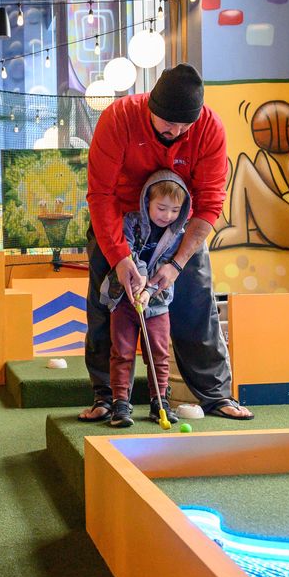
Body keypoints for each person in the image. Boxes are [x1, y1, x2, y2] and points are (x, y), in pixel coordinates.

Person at [78, 63, 254, 422]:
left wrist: (175, 264)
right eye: (167, 125)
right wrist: (120, 259)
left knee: (197, 302)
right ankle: (107, 398)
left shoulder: (210, 129)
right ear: (150, 108)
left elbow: (209, 204)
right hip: (121, 222)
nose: (175, 132)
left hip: (178, 227)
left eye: (182, 127)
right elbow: (101, 194)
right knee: (106, 303)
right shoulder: (118, 119)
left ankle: (216, 395)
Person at [98, 172, 190, 427]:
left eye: (174, 210)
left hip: (157, 302)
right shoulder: (130, 222)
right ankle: (120, 404)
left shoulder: (177, 233)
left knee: (159, 354)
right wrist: (138, 283)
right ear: (147, 201)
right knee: (122, 352)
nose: (167, 215)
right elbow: (127, 252)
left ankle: (159, 402)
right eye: (161, 208)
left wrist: (149, 291)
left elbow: (167, 265)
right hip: (124, 298)